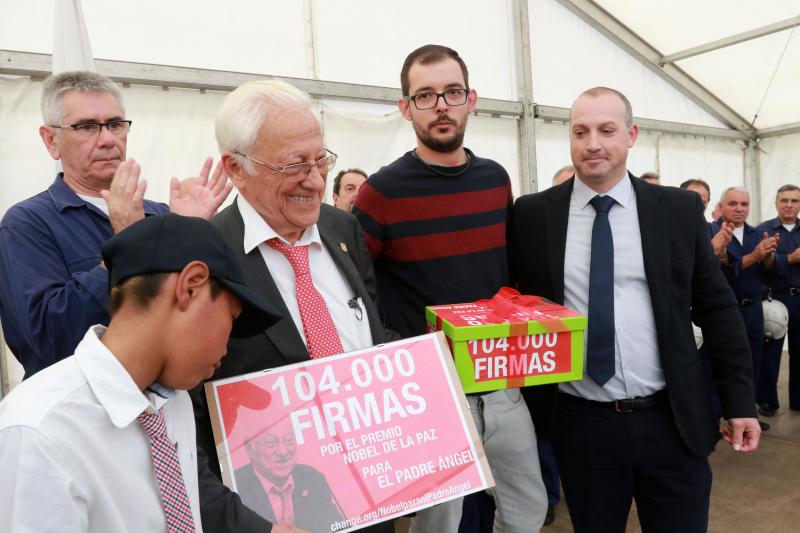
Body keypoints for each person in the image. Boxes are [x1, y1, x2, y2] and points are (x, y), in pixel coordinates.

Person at [511, 87, 760, 533]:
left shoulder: (677, 210)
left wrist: (740, 402)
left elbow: (718, 309)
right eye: (580, 132)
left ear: (631, 135)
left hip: (671, 420)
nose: (593, 143)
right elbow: (515, 308)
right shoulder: (532, 215)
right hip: (581, 425)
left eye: (607, 130)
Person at [353, 44, 547, 533]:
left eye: (452, 92)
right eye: (425, 95)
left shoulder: (495, 180)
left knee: (528, 511)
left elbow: (509, 277)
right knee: (439, 526)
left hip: (500, 384)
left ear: (470, 99)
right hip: (430, 392)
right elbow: (355, 291)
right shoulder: (381, 192)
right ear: (406, 108)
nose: (441, 105)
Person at [193, 79, 396, 533]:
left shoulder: (343, 229)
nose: (316, 180)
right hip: (275, 515)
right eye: (294, 165)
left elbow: (370, 334)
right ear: (236, 167)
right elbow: (190, 410)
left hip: (370, 491)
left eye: (321, 159)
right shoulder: (206, 257)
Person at [0, 213, 281, 532]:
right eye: (231, 317)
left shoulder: (172, 402)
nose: (227, 347)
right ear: (190, 287)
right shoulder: (38, 431)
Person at [0, 70, 231, 378]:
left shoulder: (161, 216)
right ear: (51, 140)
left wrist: (191, 233)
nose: (107, 139)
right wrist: (126, 245)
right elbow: (49, 339)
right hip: (84, 401)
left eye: (115, 124)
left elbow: (204, 318)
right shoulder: (27, 224)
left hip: (164, 396)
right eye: (86, 127)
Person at [712, 186, 778, 430]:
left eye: (744, 204)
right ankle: (714, 416)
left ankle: (746, 413)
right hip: (722, 311)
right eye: (733, 204)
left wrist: (769, 256)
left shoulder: (759, 233)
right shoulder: (710, 232)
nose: (739, 209)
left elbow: (770, 273)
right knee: (718, 363)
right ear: (721, 206)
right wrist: (755, 256)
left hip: (752, 311)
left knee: (751, 363)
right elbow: (722, 273)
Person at [235, 418, 343, 533]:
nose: (283, 452)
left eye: (289, 441)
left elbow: (334, 524)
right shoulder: (236, 487)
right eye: (270, 443)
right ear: (250, 449)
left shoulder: (312, 479)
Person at [756, 184, 800, 416]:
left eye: (794, 200)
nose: (789, 205)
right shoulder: (762, 230)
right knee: (770, 353)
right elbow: (760, 264)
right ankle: (767, 400)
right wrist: (790, 259)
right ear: (776, 203)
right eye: (784, 200)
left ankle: (798, 399)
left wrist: (779, 259)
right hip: (774, 299)